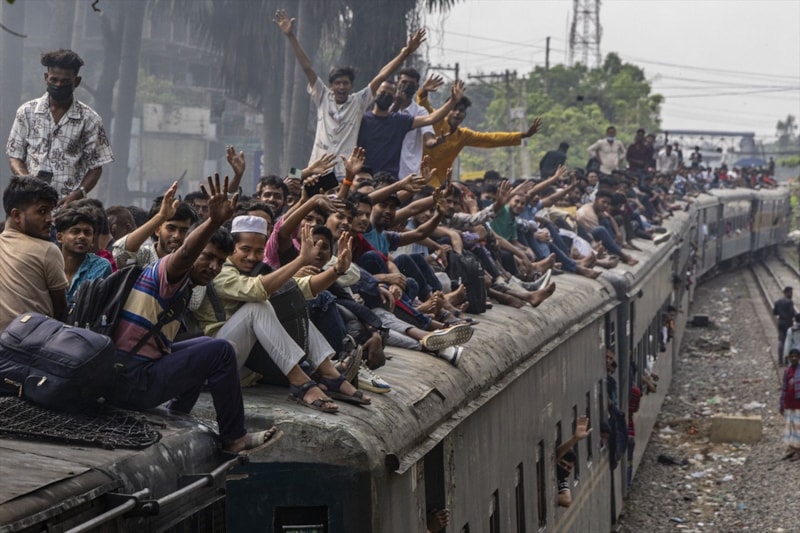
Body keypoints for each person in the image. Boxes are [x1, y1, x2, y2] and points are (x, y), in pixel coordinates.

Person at [111, 175, 279, 454]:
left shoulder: (187, 285)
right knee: (221, 351)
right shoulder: (169, 271)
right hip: (132, 381)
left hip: (130, 375)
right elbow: (188, 251)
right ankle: (234, 437)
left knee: (204, 345)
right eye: (208, 257)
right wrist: (213, 222)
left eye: (220, 262)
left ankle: (177, 413)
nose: (213, 267)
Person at [275, 9, 426, 178]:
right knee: (288, 177)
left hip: (343, 174)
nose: (341, 87)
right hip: (316, 168)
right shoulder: (323, 96)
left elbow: (382, 75)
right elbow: (307, 67)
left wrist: (406, 52)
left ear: (351, 86)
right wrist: (291, 36)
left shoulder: (358, 102)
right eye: (337, 83)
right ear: (331, 86)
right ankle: (288, 179)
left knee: (337, 196)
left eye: (345, 83)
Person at [6, 49, 114, 204]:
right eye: (54, 79)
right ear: (46, 78)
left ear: (76, 81)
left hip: (68, 206)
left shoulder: (90, 119)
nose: (58, 85)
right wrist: (26, 180)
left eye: (65, 82)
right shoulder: (26, 112)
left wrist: (77, 195)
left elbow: (96, 166)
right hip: (30, 202)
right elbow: (15, 156)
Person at [418, 89, 542, 187]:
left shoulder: (463, 135)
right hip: (415, 173)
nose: (457, 113)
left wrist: (523, 135)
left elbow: (491, 139)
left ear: (465, 114)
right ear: (447, 109)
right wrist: (424, 90)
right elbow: (424, 105)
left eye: (461, 110)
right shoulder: (435, 120)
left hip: (436, 182)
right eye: (453, 109)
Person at [357, 78, 464, 180]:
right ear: (375, 93)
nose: (385, 96)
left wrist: (453, 101)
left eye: (389, 94)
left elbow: (431, 118)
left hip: (388, 180)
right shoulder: (362, 120)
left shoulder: (399, 121)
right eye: (383, 92)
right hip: (364, 178)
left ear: (394, 98)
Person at [0, 176, 68, 330]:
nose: (50, 219)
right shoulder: (47, 250)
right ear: (17, 215)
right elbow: (61, 311)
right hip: (33, 340)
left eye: (50, 211)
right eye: (42, 211)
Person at [54, 206, 112, 304]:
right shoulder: (48, 263)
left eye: (87, 233)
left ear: (93, 240)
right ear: (60, 237)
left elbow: (89, 304)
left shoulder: (100, 266)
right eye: (75, 231)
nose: (82, 236)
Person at [556, 415, 591, 507]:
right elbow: (558, 453)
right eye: (562, 464)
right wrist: (575, 439)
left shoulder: (561, 479)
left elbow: (567, 500)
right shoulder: (555, 460)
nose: (564, 469)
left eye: (568, 468)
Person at [780, 348, 800, 461]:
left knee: (798, 427)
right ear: (789, 358)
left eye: (796, 356)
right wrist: (782, 403)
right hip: (789, 403)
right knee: (790, 426)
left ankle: (798, 450)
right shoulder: (787, 371)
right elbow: (784, 388)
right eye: (792, 356)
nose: (794, 358)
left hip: (798, 404)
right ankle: (792, 448)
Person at [774, 286, 796, 365]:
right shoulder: (789, 302)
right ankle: (786, 360)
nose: (791, 294)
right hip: (788, 324)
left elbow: (775, 312)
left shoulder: (777, 301)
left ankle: (780, 361)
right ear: (787, 293)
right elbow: (792, 313)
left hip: (780, 323)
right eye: (791, 292)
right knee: (788, 342)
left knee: (781, 341)